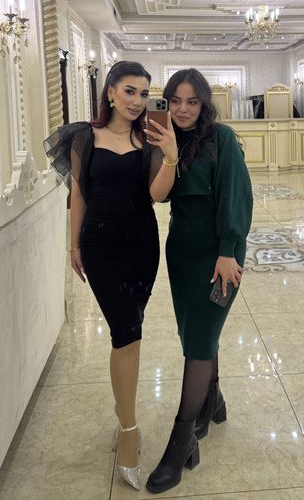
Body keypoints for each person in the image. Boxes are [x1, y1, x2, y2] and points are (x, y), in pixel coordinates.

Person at [43, 61, 177, 491]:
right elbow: (78, 193)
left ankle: (125, 418)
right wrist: (74, 246)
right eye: (130, 91)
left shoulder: (149, 138)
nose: (138, 101)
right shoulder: (83, 137)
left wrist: (170, 156)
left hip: (141, 245)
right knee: (125, 332)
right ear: (111, 93)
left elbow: (157, 195)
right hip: (100, 247)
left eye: (144, 94)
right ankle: (129, 432)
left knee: (131, 330)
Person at [145, 68, 253, 494]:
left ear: (204, 103)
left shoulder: (220, 138)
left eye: (192, 101)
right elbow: (158, 195)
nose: (183, 109)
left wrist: (228, 250)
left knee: (200, 342)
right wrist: (167, 150)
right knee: (195, 335)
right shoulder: (166, 139)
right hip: (182, 252)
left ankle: (181, 441)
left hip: (218, 253)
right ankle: (214, 402)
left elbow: (236, 195)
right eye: (175, 101)